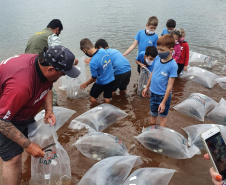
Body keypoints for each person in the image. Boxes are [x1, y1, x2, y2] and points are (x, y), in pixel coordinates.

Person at [0, 45, 80, 185]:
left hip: (22, 109)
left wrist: (49, 110)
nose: (64, 76)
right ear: (51, 69)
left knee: (30, 142)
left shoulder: (42, 64)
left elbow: (48, 85)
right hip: (6, 116)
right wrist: (29, 145)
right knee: (13, 159)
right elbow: (2, 121)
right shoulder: (21, 86)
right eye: (62, 73)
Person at [25, 19, 64, 106]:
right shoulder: (52, 36)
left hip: (26, 65)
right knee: (49, 91)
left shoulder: (36, 34)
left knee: (34, 90)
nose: (58, 34)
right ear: (57, 29)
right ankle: (53, 111)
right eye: (59, 32)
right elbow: (57, 54)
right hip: (36, 66)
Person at [142, 34, 178, 127]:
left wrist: (163, 102)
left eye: (162, 50)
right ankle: (152, 132)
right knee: (153, 115)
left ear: (171, 50)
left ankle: (161, 137)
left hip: (163, 96)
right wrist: (146, 87)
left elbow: (170, 86)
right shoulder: (158, 58)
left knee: (162, 117)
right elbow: (153, 73)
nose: (159, 52)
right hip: (153, 93)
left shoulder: (173, 65)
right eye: (158, 49)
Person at [80, 38, 115, 103]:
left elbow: (94, 78)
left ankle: (96, 109)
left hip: (101, 82)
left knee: (92, 97)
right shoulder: (103, 50)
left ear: (84, 50)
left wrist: (86, 84)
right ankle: (108, 109)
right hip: (111, 79)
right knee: (107, 98)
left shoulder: (93, 62)